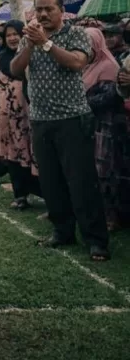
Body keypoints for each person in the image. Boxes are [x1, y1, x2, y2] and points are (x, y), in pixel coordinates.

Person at [10, 0, 110, 261]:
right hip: (41, 120)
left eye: (48, 9)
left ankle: (96, 240)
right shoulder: (29, 37)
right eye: (38, 9)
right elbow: (16, 70)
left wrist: (46, 44)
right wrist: (31, 45)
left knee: (81, 182)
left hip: (72, 119)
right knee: (51, 182)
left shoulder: (76, 34)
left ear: (61, 11)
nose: (42, 14)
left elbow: (78, 62)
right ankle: (62, 231)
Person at [0, 21, 39, 209]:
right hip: (7, 119)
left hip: (31, 116)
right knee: (13, 156)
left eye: (17, 34)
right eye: (9, 35)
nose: (13, 38)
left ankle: (43, 193)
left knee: (34, 154)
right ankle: (20, 196)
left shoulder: (35, 55)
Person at [82, 28, 130, 232]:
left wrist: (82, 102)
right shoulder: (85, 64)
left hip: (107, 126)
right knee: (92, 170)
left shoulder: (108, 65)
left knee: (107, 171)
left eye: (88, 44)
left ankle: (113, 216)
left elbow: (111, 97)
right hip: (90, 125)